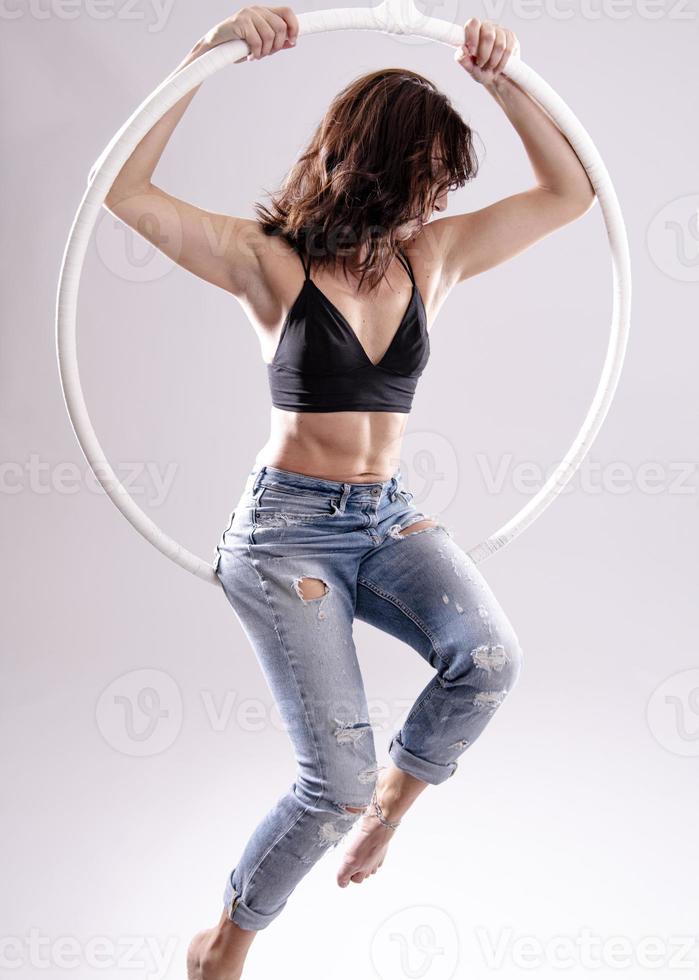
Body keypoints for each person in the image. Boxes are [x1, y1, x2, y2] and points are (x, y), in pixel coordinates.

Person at [102, 6, 595, 977]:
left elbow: (573, 190)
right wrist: (205, 58)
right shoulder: (269, 261)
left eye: (442, 187)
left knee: (489, 656)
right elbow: (117, 188)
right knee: (328, 781)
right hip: (286, 535)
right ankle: (223, 944)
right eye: (426, 179)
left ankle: (388, 814)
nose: (435, 199)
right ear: (376, 170)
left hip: (385, 517)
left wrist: (504, 77)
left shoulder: (433, 257)